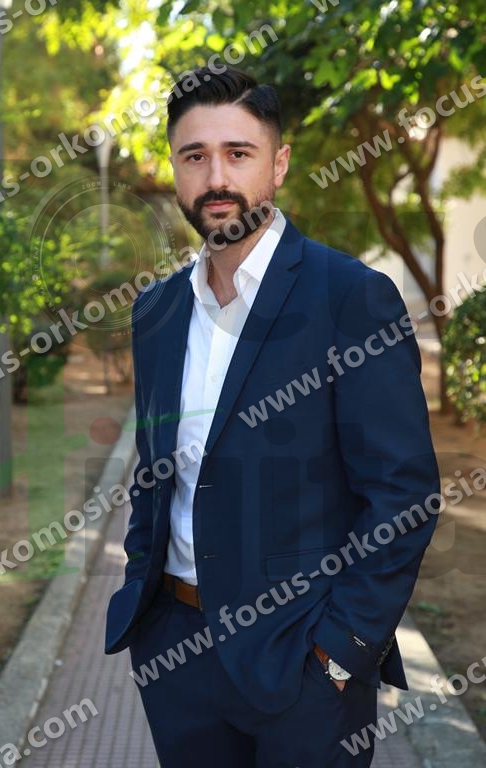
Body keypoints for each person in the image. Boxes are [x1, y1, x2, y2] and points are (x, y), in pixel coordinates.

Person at [105, 65, 440, 767]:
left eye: (239, 153)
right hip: (175, 654)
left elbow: (403, 494)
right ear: (174, 169)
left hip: (304, 667)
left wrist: (341, 652)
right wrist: (145, 597)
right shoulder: (156, 310)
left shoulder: (352, 297)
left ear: (278, 164)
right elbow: (155, 472)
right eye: (195, 156)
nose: (216, 177)